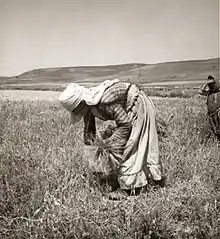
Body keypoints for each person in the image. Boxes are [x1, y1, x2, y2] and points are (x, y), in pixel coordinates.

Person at [59, 79, 164, 199]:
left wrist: (111, 145)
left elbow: (125, 124)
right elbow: (89, 132)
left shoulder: (104, 102)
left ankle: (128, 189)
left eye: (77, 110)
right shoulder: (88, 107)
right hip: (129, 112)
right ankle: (151, 182)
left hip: (138, 105)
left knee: (131, 147)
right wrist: (94, 160)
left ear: (82, 104)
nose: (78, 113)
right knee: (135, 146)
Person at [199, 75, 220, 139]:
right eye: (210, 84)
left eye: (212, 84)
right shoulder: (209, 93)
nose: (211, 86)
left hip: (218, 114)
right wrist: (206, 83)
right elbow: (200, 91)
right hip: (210, 115)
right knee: (213, 129)